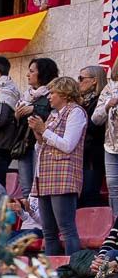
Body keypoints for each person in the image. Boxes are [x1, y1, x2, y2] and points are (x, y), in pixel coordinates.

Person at [29, 75, 87, 256]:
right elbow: (42, 146)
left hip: (63, 176)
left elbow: (68, 145)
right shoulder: (54, 116)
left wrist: (43, 130)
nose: (49, 96)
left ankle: (72, 270)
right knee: (48, 232)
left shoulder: (76, 112)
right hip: (45, 176)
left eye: (53, 92)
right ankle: (51, 274)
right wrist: (39, 134)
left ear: (65, 94)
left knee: (67, 229)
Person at [15, 57, 59, 202]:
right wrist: (16, 115)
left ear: (43, 73)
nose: (28, 74)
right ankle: (29, 218)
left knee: (38, 185)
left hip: (41, 143)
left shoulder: (53, 93)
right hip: (24, 144)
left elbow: (55, 115)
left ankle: (38, 220)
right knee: (26, 188)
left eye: (32, 71)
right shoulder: (27, 96)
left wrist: (34, 109)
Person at [78, 64, 107, 206]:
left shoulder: (100, 101)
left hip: (93, 155)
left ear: (94, 80)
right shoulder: (84, 101)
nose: (78, 82)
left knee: (89, 195)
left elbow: (94, 127)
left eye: (81, 78)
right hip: (82, 155)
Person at [91, 62, 118, 215]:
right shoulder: (110, 88)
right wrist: (108, 105)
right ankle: (115, 226)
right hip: (111, 145)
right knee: (113, 185)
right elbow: (95, 119)